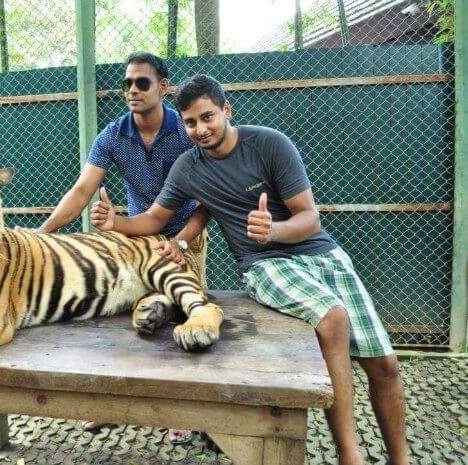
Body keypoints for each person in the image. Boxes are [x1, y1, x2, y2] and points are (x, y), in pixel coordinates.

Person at [91, 74, 409, 465]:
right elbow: (156, 217)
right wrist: (115, 222)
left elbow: (310, 218)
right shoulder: (189, 167)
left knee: (386, 366)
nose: (200, 130)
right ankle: (350, 456)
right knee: (334, 319)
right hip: (265, 264)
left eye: (207, 117)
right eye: (190, 123)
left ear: (226, 110)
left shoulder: (270, 144)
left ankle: (401, 459)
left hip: (322, 255)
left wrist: (273, 228)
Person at [39, 52, 207, 444]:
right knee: (118, 318)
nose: (132, 90)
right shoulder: (113, 135)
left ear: (163, 87)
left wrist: (184, 241)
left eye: (142, 83)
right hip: (133, 237)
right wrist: (44, 231)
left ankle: (183, 410)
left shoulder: (187, 131)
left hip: (183, 236)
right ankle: (111, 406)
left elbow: (206, 203)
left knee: (183, 315)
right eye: (127, 83)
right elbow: (82, 190)